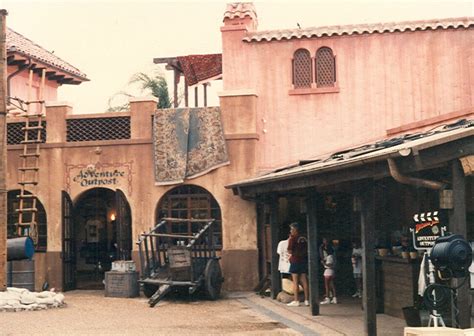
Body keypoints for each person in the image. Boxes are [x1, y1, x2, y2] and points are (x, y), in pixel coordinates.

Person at [286, 222, 309, 307]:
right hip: (303, 260)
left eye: (292, 229)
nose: (291, 231)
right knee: (304, 280)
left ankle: (296, 300)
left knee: (295, 281)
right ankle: (307, 300)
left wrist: (289, 240)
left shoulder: (292, 239)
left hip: (295, 260)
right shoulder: (304, 238)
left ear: (295, 230)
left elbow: (289, 251)